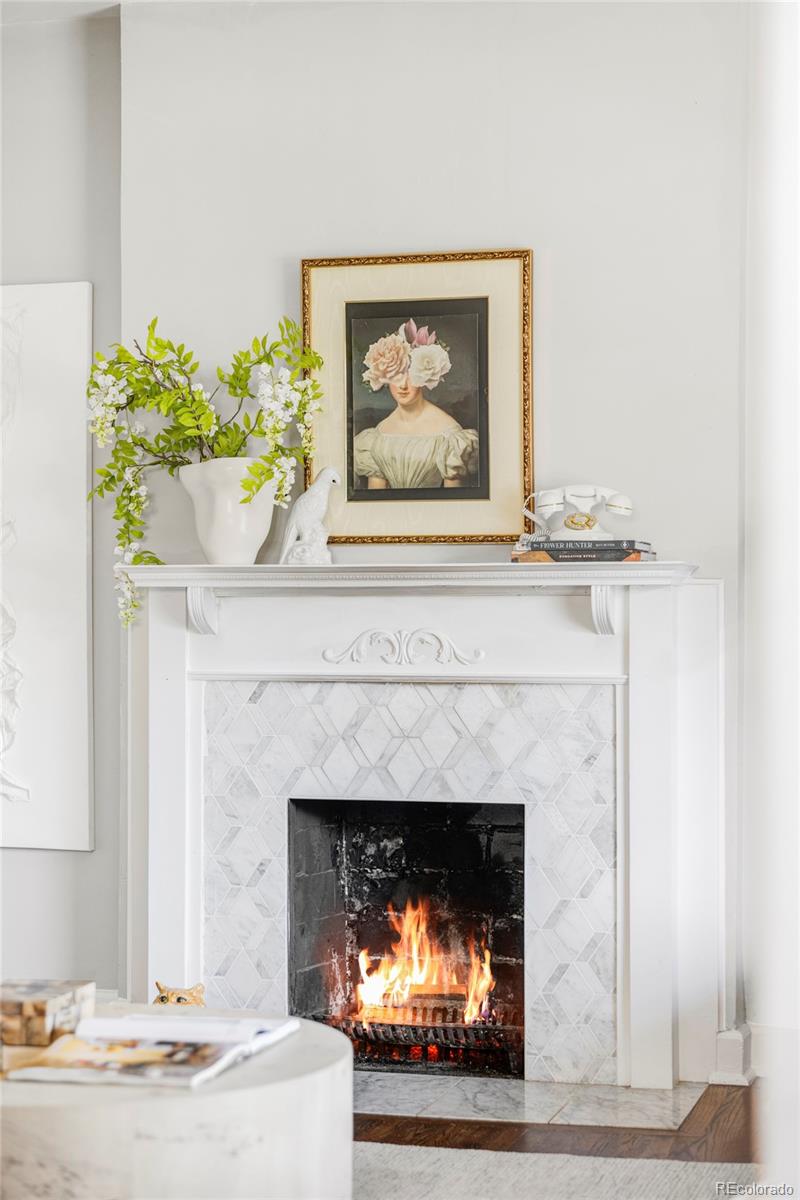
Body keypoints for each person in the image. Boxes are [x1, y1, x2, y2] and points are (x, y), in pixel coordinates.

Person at [354, 318, 478, 490]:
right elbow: (375, 499)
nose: (403, 385)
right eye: (396, 376)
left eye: (411, 376)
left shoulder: (450, 436)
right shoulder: (377, 436)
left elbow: (454, 502)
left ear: (424, 376)